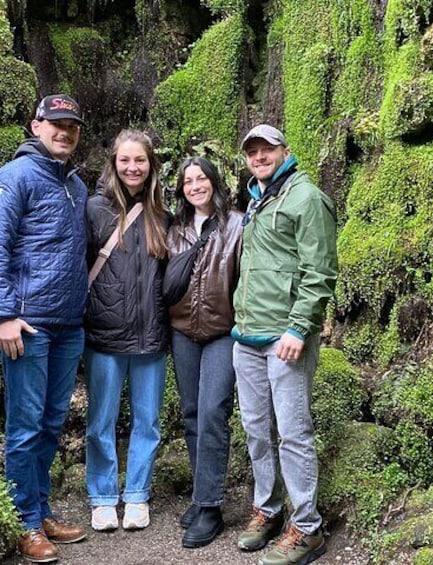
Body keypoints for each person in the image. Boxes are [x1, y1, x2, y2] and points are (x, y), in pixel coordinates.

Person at [0, 94, 89, 563]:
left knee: (50, 423)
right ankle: (23, 521)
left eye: (73, 126)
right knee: (23, 426)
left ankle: (40, 510)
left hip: (68, 325)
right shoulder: (14, 177)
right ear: (35, 125)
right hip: (27, 324)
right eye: (56, 124)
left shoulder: (76, 186)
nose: (64, 132)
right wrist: (1, 315)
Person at [232, 124, 338, 565]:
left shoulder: (305, 198)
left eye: (267, 149)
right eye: (252, 151)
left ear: (284, 151)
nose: (259, 157)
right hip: (247, 335)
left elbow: (320, 271)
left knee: (293, 432)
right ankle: (268, 509)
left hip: (285, 337)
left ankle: (307, 527)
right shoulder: (258, 199)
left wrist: (299, 328)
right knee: (256, 429)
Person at [83, 129, 170, 533]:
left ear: (151, 165)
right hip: (104, 332)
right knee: (101, 420)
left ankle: (137, 494)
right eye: (125, 160)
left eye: (140, 161)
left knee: (148, 421)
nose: (132, 168)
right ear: (114, 163)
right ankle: (102, 496)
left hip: (151, 334)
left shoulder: (162, 213)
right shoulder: (94, 209)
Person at [166, 156, 244, 548]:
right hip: (182, 330)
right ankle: (201, 496)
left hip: (221, 331)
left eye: (201, 178)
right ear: (181, 189)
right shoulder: (175, 229)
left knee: (214, 409)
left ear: (214, 182)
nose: (195, 185)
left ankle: (211, 506)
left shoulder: (237, 225)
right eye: (188, 181)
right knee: (192, 412)